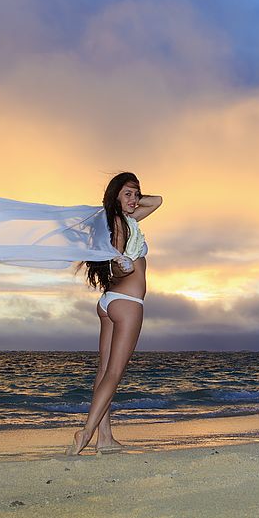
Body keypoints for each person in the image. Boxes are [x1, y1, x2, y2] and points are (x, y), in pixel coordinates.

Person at [67, 172, 162, 455]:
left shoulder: (120, 220)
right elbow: (118, 261)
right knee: (115, 373)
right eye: (128, 194)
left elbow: (158, 201)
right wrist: (122, 266)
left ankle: (104, 438)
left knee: (103, 372)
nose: (134, 199)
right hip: (128, 302)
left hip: (108, 303)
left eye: (136, 193)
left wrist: (123, 201)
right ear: (116, 196)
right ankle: (85, 434)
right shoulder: (119, 225)